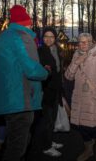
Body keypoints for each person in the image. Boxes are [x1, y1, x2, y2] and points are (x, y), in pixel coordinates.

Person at [0, 5, 48, 161]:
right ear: (26, 23)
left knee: (16, 141)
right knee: (17, 148)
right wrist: (45, 72)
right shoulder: (23, 36)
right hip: (19, 100)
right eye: (29, 22)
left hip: (4, 100)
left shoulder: (1, 38)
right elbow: (32, 69)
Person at [65, 33, 96, 161]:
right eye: (80, 42)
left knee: (91, 126)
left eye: (85, 42)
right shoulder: (76, 55)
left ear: (91, 42)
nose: (82, 44)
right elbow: (68, 76)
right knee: (80, 126)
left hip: (91, 98)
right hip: (78, 97)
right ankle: (88, 149)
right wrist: (76, 63)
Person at [38, 27, 64, 157]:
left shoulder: (57, 50)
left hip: (55, 90)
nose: (48, 39)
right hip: (46, 91)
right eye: (46, 37)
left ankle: (49, 140)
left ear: (55, 38)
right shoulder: (40, 51)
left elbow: (59, 72)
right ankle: (46, 147)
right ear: (43, 39)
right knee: (47, 121)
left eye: (51, 37)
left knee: (52, 119)